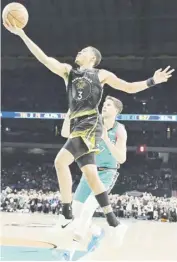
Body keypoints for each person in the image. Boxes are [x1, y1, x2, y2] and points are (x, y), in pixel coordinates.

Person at [3, 19, 174, 229]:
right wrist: (22, 34)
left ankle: (66, 210)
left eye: (83, 51)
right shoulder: (68, 71)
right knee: (90, 173)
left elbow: (128, 87)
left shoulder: (101, 74)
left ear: (92, 57)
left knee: (60, 162)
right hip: (77, 125)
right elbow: (44, 59)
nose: (78, 53)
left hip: (90, 123)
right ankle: (111, 216)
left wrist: (152, 81)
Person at [61, 96, 127, 259]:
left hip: (106, 173)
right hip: (89, 172)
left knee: (87, 210)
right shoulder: (92, 123)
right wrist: (71, 110)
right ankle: (97, 232)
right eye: (104, 104)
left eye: (109, 105)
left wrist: (105, 139)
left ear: (116, 111)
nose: (104, 106)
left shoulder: (119, 130)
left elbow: (121, 158)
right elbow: (64, 133)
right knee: (76, 214)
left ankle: (70, 252)